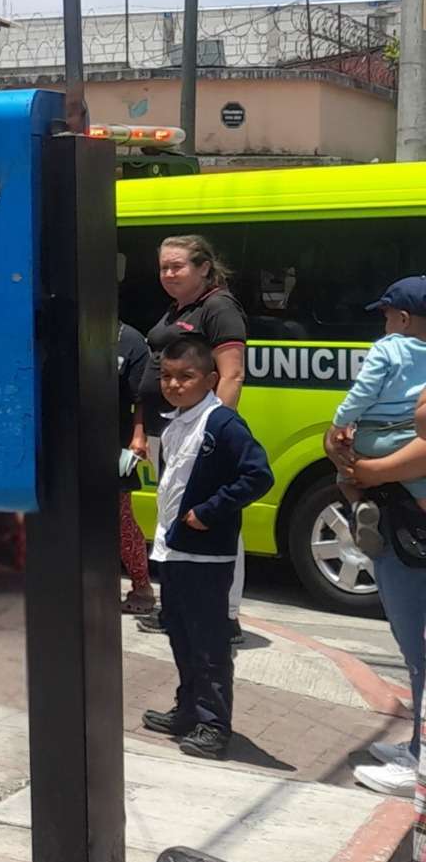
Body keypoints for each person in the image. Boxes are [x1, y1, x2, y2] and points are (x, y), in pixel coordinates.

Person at [139, 338, 271, 760]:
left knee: (209, 641)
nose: (174, 385)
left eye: (185, 376)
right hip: (173, 550)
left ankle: (215, 725)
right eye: (167, 377)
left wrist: (209, 512)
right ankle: (189, 709)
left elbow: (258, 475)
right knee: (178, 632)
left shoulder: (223, 424)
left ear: (211, 379)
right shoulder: (175, 422)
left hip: (206, 554)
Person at [131, 234, 250, 642]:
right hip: (173, 430)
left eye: (177, 266)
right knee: (172, 518)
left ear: (203, 267)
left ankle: (226, 616)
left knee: (216, 523)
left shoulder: (219, 308)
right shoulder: (178, 309)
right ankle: (177, 606)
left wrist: (214, 431)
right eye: (163, 267)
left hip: (200, 435)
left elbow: (231, 374)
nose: (168, 274)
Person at [338, 414, 426, 795]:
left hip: (412, 535)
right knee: (413, 649)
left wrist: (368, 469)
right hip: (397, 526)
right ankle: (417, 748)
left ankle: (421, 768)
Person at [326, 276, 426, 553]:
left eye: (387, 317)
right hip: (412, 438)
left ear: (403, 319)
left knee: (345, 478)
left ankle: (359, 507)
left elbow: (364, 391)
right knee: (422, 491)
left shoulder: (386, 348)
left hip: (373, 437)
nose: (385, 325)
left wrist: (340, 422)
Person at [119, 319, 156, 612]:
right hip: (71, 440)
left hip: (113, 443)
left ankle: (142, 588)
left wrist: (138, 436)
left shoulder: (131, 341)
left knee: (120, 517)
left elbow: (141, 398)